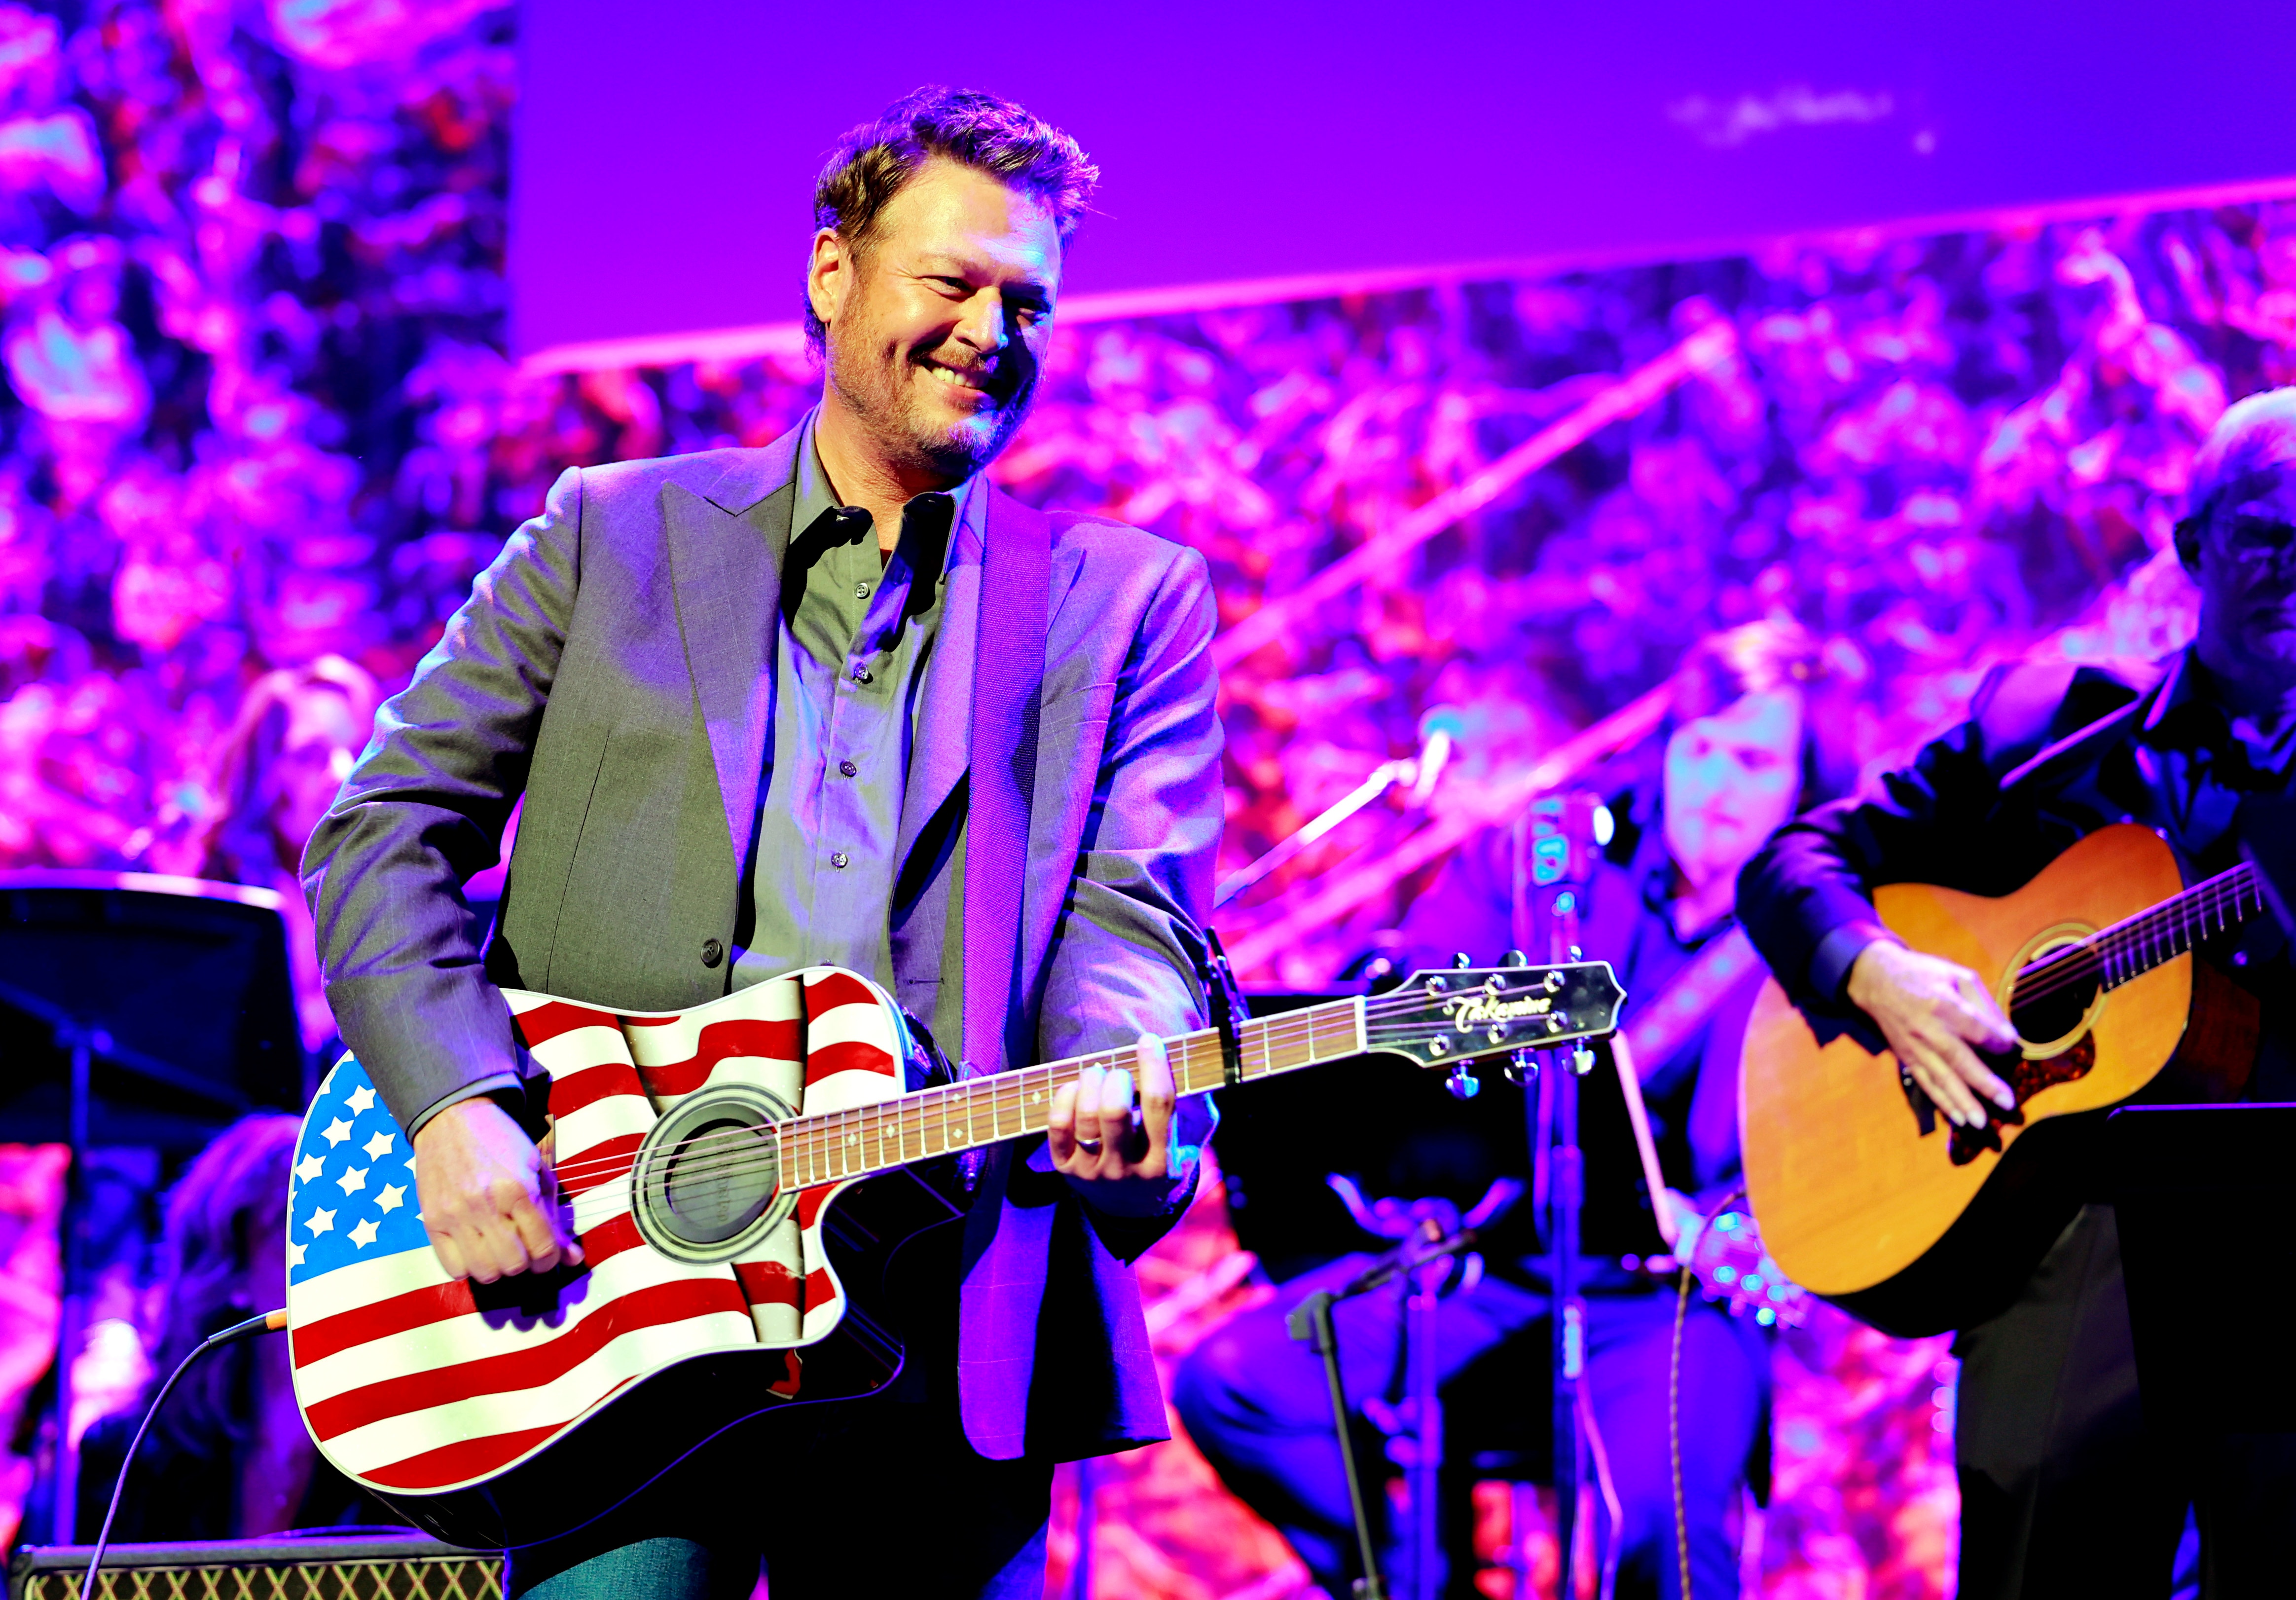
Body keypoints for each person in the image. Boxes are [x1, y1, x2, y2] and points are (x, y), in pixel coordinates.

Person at [302, 88, 1222, 1600]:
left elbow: (1133, 909)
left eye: (1031, 300)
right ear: (833, 276)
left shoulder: (1120, 600)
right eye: (956, 282)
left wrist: (1127, 1057)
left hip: (941, 1333)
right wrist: (457, 1107)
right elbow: (382, 830)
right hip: (607, 1316)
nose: (994, 330)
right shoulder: (612, 533)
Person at [1737, 387, 2296, 1597]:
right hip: (2069, 1221)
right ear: (2195, 546)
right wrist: (1882, 974)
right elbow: (1795, 864)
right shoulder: (2054, 720)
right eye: (2270, 536)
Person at [1177, 620, 1825, 1600]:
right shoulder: (1550, 861)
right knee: (1234, 1388)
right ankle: (1422, 1582)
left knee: (1665, 1539)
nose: (1715, 785)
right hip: (1493, 1278)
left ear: (1800, 779)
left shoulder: (1825, 922)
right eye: (1696, 747)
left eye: (1751, 758)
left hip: (1672, 1305)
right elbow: (1410, 1009)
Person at [76, 1116, 395, 1538]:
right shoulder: (128, 1455)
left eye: (349, 1217)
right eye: (298, 1223)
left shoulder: (409, 1441)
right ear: (230, 1270)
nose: (333, 1247)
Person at [201, 656, 381, 1058]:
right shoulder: (220, 889)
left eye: (357, 750)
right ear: (263, 769)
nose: (342, 772)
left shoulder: (386, 881)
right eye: (311, 754)